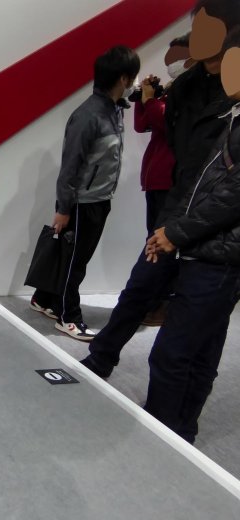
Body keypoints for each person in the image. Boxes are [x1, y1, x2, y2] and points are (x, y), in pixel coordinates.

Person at [81, 0, 240, 376]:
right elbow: (169, 139)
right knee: (141, 286)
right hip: (177, 201)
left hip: (220, 228)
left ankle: (180, 411)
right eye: (196, 27)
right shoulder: (186, 86)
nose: (197, 36)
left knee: (201, 327)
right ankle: (101, 356)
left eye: (208, 28)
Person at [141, 24, 240, 443]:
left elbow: (231, 197)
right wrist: (172, 229)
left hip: (218, 257)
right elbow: (204, 184)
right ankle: (180, 433)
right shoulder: (231, 118)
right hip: (210, 253)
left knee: (174, 353)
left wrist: (176, 232)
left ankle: (165, 439)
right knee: (198, 351)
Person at [30, 45, 140, 342]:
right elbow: (70, 166)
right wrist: (64, 208)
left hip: (99, 199)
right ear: (123, 78)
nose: (134, 83)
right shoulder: (89, 115)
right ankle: (68, 317)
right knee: (74, 262)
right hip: (83, 202)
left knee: (73, 256)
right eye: (132, 77)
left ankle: (44, 299)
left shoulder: (114, 110)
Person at [133, 34, 191, 326]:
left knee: (164, 244)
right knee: (152, 241)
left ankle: (162, 304)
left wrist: (151, 100)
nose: (172, 65)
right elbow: (142, 124)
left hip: (173, 181)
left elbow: (170, 122)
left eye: (177, 59)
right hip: (156, 179)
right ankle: (151, 302)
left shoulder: (193, 92)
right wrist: (145, 98)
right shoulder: (171, 90)